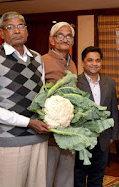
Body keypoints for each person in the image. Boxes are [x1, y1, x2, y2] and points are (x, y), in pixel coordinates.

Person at [0, 11, 50, 187]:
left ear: (27, 31)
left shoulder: (37, 58)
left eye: (21, 26)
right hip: (8, 141)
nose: (17, 31)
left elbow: (42, 96)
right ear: (1, 32)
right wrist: (28, 122)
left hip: (39, 138)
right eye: (10, 27)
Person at [74, 46, 119, 187]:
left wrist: (114, 134)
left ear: (101, 62)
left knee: (97, 176)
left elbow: (113, 109)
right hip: (82, 138)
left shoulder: (109, 83)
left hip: (103, 138)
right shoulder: (74, 82)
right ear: (82, 63)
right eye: (90, 60)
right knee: (79, 176)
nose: (94, 63)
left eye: (98, 60)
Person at [42, 22, 77, 187]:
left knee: (66, 176)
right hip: (50, 133)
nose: (65, 39)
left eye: (69, 36)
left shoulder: (72, 63)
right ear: (52, 40)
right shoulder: (42, 61)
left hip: (69, 131)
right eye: (60, 35)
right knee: (47, 176)